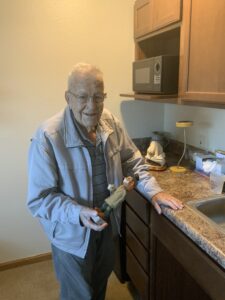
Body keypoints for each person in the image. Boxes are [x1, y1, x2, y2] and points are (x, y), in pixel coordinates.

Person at [27, 62, 183, 300]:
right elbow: (39, 199)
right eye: (83, 97)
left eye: (99, 97)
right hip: (72, 236)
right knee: (78, 295)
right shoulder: (48, 136)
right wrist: (78, 213)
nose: (92, 106)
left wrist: (154, 191)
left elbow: (132, 160)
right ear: (68, 98)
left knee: (99, 288)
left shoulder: (109, 121)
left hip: (108, 226)